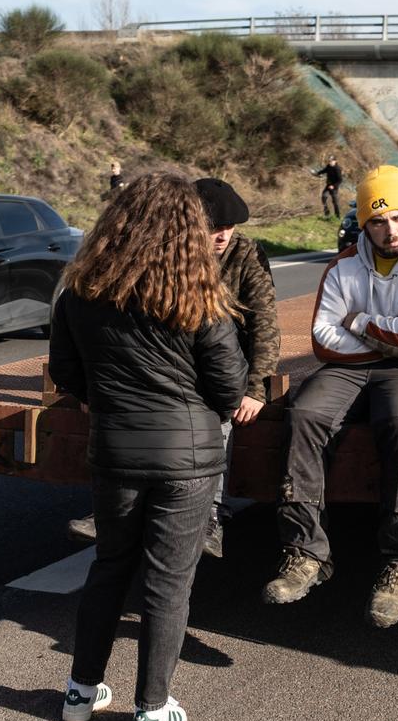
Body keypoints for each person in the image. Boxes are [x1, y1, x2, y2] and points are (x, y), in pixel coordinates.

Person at [49, 172, 248, 721]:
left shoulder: (80, 292)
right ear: (187, 229)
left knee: (109, 566)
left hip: (112, 452)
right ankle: (150, 712)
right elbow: (230, 390)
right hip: (186, 462)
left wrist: (105, 396)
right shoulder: (197, 296)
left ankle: (80, 694)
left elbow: (65, 372)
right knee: (167, 584)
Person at [262, 165, 398, 628]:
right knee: (304, 412)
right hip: (351, 371)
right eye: (376, 221)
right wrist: (390, 335)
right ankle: (306, 553)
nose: (388, 230)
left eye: (396, 217)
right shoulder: (343, 266)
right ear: (363, 222)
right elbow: (321, 340)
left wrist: (357, 322)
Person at [67, 178, 282, 558]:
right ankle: (111, 513)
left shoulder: (246, 255)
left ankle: (213, 515)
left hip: (225, 358)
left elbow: (265, 322)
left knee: (222, 417)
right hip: (177, 361)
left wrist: (254, 388)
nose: (223, 236)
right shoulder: (166, 252)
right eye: (214, 228)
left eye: (229, 228)